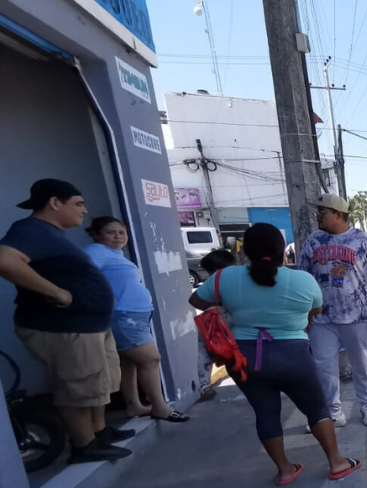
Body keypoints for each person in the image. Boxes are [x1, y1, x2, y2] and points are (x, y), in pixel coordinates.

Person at [189, 223, 360, 485]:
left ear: (245, 250)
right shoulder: (303, 280)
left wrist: (235, 305)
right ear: (282, 251)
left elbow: (198, 301)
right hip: (293, 356)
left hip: (244, 359)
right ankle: (336, 463)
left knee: (266, 412)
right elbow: (314, 312)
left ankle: (284, 469)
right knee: (316, 408)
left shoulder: (224, 277)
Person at [0, 179, 132, 463]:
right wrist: (57, 292)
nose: (84, 211)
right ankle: (84, 445)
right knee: (77, 387)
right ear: (55, 203)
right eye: (78, 203)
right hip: (64, 327)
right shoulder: (30, 230)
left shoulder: (51, 234)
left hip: (88, 326)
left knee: (97, 384)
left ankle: (98, 433)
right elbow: (5, 261)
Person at [84, 217, 189, 423]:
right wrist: (103, 297)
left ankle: (134, 405)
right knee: (150, 359)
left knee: (128, 362)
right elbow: (82, 275)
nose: (118, 237)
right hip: (123, 315)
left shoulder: (115, 254)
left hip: (134, 314)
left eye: (121, 232)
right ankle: (160, 407)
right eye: (110, 232)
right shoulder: (95, 252)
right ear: (96, 234)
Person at [297, 194, 367, 427]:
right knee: (324, 367)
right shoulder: (313, 242)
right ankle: (333, 412)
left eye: (323, 212)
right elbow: (303, 278)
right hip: (321, 318)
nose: (318, 216)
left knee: (361, 366)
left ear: (338, 215)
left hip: (357, 316)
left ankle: (366, 405)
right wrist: (304, 313)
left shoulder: (363, 241)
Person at [195, 249, 238, 401]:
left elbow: (195, 299)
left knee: (203, 348)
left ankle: (205, 385)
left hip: (217, 318)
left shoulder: (216, 279)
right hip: (237, 319)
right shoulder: (240, 277)